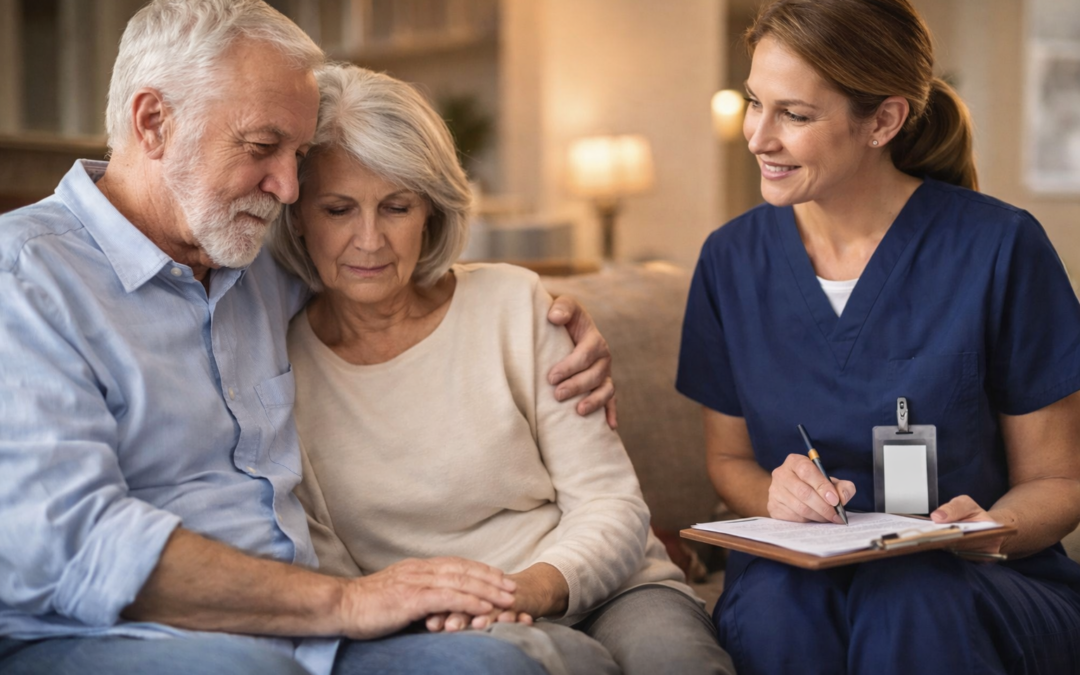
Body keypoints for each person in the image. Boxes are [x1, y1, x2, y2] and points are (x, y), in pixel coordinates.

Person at [0, 2, 615, 674]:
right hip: (111, 634)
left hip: (305, 633)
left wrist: (545, 312)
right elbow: (74, 543)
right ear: (154, 122)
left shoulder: (251, 254)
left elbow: (378, 264)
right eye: (263, 147)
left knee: (508, 666)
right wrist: (346, 602)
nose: (288, 187)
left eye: (297, 155)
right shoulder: (25, 279)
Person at [267, 63, 735, 675]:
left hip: (614, 588)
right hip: (446, 624)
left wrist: (528, 590)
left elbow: (614, 508)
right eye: (338, 209)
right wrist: (451, 615)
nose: (371, 239)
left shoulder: (517, 306)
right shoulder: (279, 369)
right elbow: (333, 572)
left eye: (397, 207)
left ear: (431, 211)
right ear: (298, 214)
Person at [675, 0, 1080, 673]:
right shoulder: (730, 260)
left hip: (975, 584)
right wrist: (775, 495)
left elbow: (1060, 477)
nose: (757, 136)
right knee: (780, 603)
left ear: (884, 120)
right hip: (796, 577)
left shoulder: (1000, 247)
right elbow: (730, 462)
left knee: (908, 590)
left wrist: (984, 529)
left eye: (794, 114)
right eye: (754, 102)